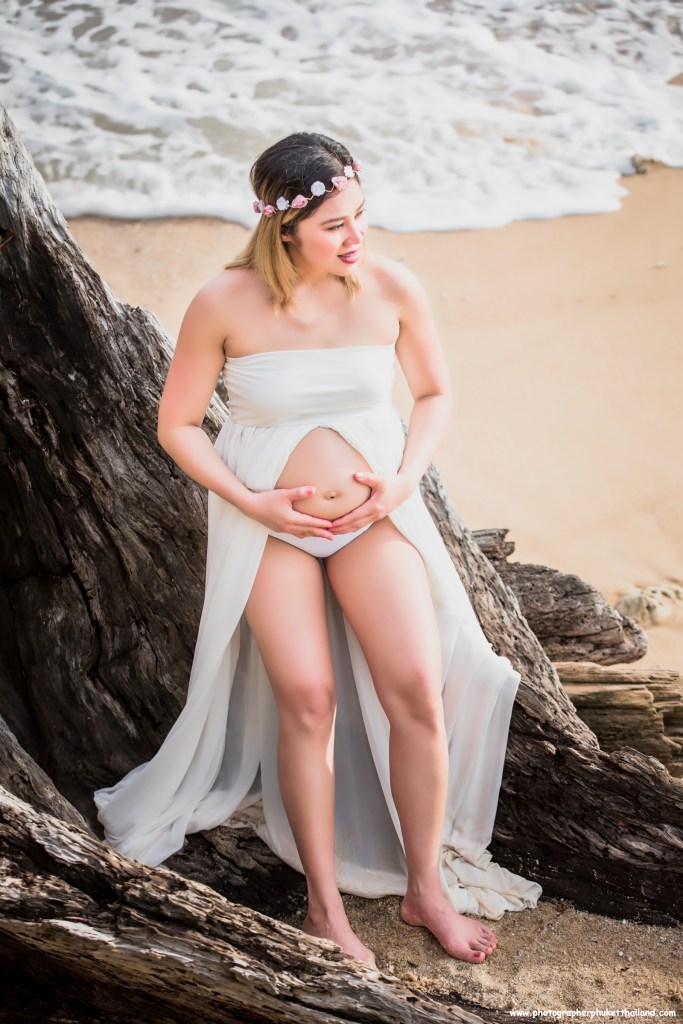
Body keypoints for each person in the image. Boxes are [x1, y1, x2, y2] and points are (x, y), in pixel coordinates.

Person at [95, 131, 542, 969]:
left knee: (416, 684)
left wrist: (405, 479)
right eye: (335, 223)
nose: (354, 237)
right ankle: (322, 908)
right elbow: (177, 423)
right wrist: (249, 500)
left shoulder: (389, 288)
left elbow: (436, 391)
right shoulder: (223, 300)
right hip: (269, 521)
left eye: (360, 217)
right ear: (284, 225)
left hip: (374, 516)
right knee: (307, 696)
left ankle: (424, 889)